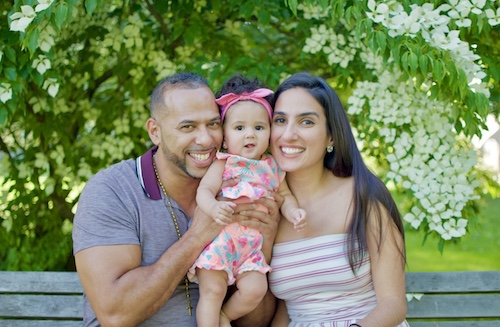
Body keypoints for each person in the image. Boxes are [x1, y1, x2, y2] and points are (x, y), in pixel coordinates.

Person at [72, 72, 280, 327]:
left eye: (213, 124)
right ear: (155, 132)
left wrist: (264, 246)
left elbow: (255, 323)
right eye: (187, 127)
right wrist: (197, 236)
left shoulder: (238, 187)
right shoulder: (112, 191)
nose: (205, 140)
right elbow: (116, 314)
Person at [268, 72, 409, 327]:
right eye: (280, 120)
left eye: (306, 122)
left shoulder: (364, 195)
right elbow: (286, 309)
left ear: (331, 136)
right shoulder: (266, 207)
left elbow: (393, 303)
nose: (288, 134)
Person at [187, 74, 306, 327]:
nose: (249, 135)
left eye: (259, 128)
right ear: (225, 137)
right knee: (212, 292)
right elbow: (204, 191)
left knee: (255, 289)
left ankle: (225, 316)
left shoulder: (273, 167)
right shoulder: (224, 162)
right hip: (220, 242)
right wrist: (213, 207)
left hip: (251, 249)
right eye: (239, 128)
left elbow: (284, 196)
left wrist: (294, 211)